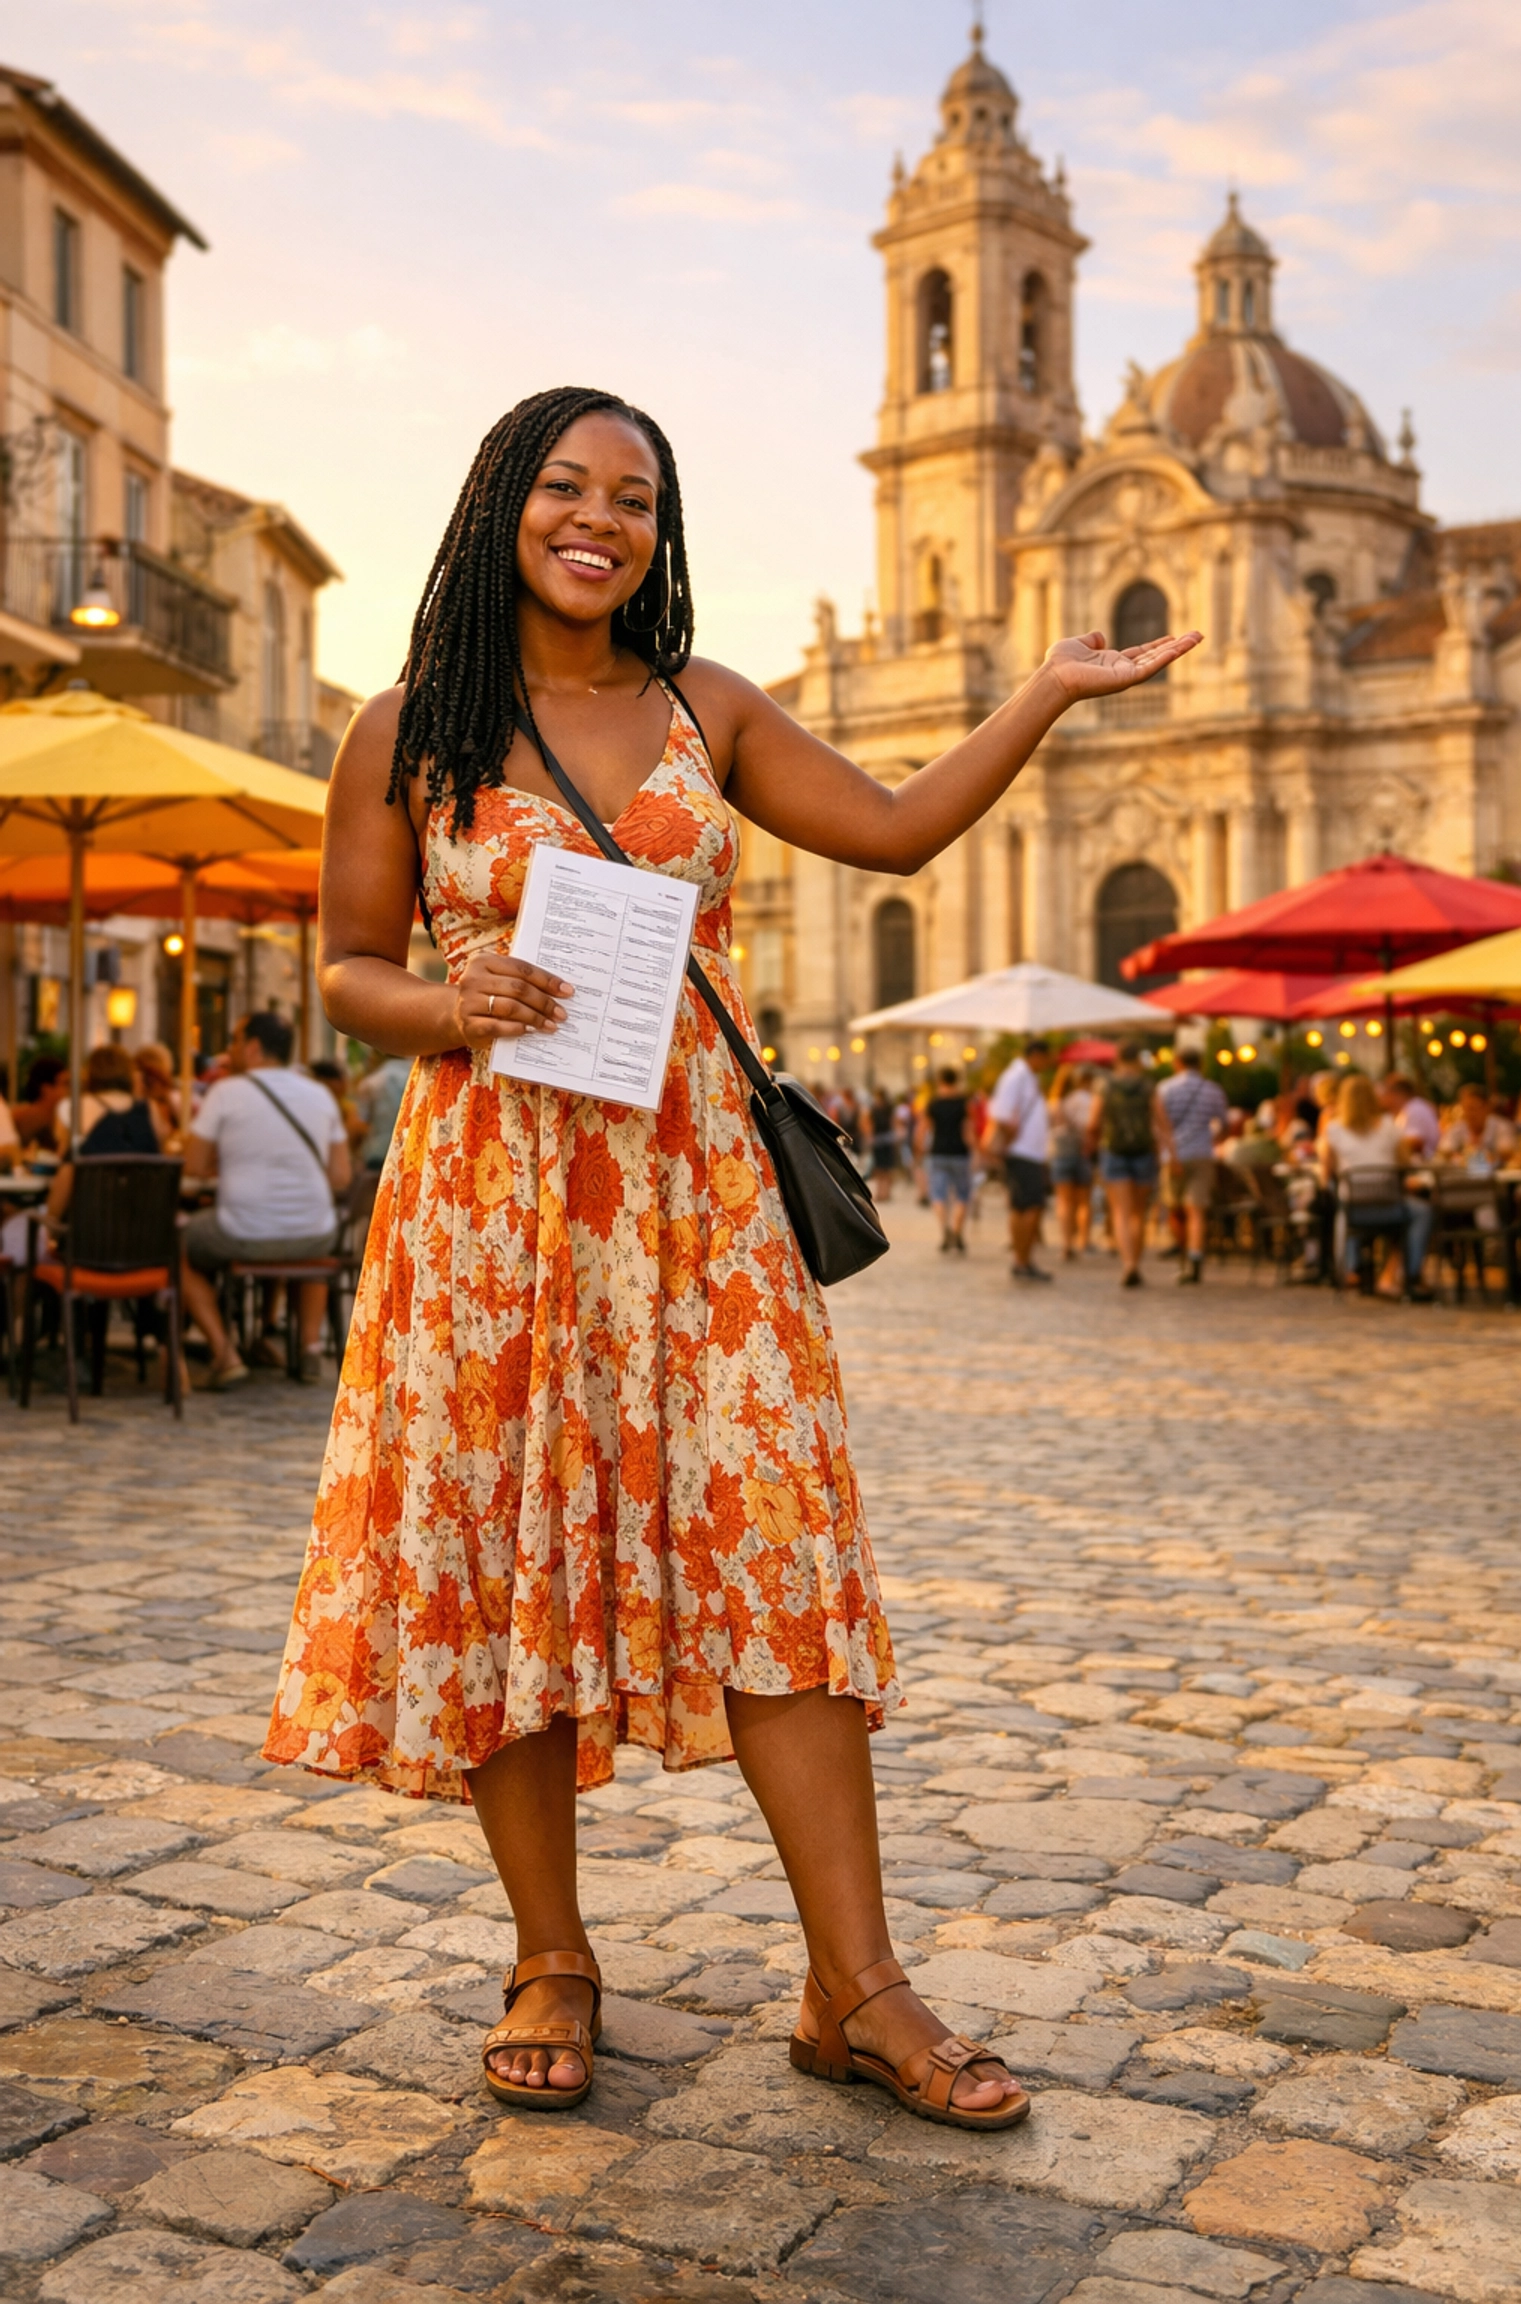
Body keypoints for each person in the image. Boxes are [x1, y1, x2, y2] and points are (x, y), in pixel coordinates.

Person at [258, 385, 1197, 2127]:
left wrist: (1047, 692)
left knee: (779, 1546)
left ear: (660, 528)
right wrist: (446, 1002)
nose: (599, 515)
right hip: (492, 1195)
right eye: (565, 484)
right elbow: (347, 967)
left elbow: (904, 828)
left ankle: (859, 1979)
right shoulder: (405, 726)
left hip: (696, 1196)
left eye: (634, 492)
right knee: (505, 1553)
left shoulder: (714, 707)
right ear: (502, 505)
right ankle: (553, 1951)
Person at [179, 1010, 351, 1389]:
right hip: (315, 1231)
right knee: (302, 1237)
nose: (230, 1049)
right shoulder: (321, 1095)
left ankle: (225, 1353)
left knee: (178, 1249)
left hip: (243, 1229)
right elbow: (341, 1176)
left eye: (235, 1041)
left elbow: (193, 1164)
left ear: (253, 1047)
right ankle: (308, 1346)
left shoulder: (225, 1093)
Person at [1319, 1071, 1433, 1299]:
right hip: (1392, 1208)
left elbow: (1326, 1175)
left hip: (1354, 1211)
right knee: (1423, 1212)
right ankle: (1411, 1274)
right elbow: (1405, 1164)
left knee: (1339, 1203)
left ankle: (1353, 1267)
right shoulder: (1390, 1127)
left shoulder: (1333, 1130)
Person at [1155, 1048, 1230, 1285]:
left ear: (1177, 1063)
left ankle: (1183, 1252)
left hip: (1173, 1154)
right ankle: (1195, 1259)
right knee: (1197, 1211)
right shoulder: (1213, 1090)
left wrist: (1165, 1152)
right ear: (1201, 1063)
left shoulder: (1165, 1088)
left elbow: (1158, 1125)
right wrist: (1213, 1139)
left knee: (1175, 1210)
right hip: (1201, 1153)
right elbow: (1225, 1124)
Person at [1088, 1042, 1158, 1287]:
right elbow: (1161, 1122)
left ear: (1117, 1060)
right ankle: (1136, 1263)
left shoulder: (1105, 1086)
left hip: (1114, 1151)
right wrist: (1171, 1153)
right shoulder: (1147, 1087)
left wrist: (1092, 1147)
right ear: (1138, 1059)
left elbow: (1093, 1123)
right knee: (1139, 1213)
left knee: (1121, 1212)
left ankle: (1127, 1263)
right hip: (1142, 1152)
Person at [986, 1039, 1054, 1281]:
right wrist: (1010, 1136)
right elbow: (1001, 1113)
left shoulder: (1028, 1077)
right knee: (1027, 1204)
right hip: (1021, 1152)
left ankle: (1024, 1259)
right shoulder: (1016, 1077)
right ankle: (1021, 1260)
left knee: (1026, 1205)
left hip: (1030, 1152)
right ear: (1036, 1055)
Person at [54, 1044, 165, 1154]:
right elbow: (163, 1151)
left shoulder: (74, 1107)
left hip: (92, 1171)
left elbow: (64, 1157)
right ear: (128, 1072)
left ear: (91, 1072)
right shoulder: (149, 1109)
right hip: (141, 1172)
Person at [918, 1068, 973, 1253]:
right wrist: (977, 1152)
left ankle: (945, 1231)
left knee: (938, 1195)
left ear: (940, 1081)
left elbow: (923, 1129)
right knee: (962, 1195)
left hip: (938, 1153)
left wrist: (919, 1149)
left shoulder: (933, 1103)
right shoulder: (964, 1102)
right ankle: (957, 1231)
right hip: (960, 1153)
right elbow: (968, 1131)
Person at [1048, 1063, 1095, 1259]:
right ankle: (1084, 1241)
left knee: (1064, 1201)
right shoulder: (1086, 1099)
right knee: (1084, 1201)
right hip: (1082, 1151)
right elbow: (1091, 1126)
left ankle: (1066, 1244)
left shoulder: (1054, 1102)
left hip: (1060, 1151)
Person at [1437, 1082, 1516, 1171]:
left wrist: (1464, 1157)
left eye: (1473, 1107)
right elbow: (1444, 1150)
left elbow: (1506, 1153)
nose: (1469, 1113)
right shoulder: (1458, 1128)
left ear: (1487, 1107)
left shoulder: (1501, 1126)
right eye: (1465, 1108)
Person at [1378, 1071, 1439, 1161]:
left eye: (1387, 1094)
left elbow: (1417, 1143)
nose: (1383, 1099)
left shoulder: (1414, 1109)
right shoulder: (1409, 1109)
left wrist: (1383, 1142)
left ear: (1397, 1094)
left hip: (1423, 1166)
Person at [11, 1055, 68, 1149]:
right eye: (64, 1084)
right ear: (46, 1088)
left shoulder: (58, 1118)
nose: (68, 1090)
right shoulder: (20, 1119)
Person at [866, 1088, 899, 1203]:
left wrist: (869, 1138)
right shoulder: (887, 1108)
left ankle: (883, 1192)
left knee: (882, 1168)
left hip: (881, 1139)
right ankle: (884, 1192)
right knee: (884, 1167)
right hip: (885, 1139)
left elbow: (870, 1124)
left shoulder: (876, 1109)